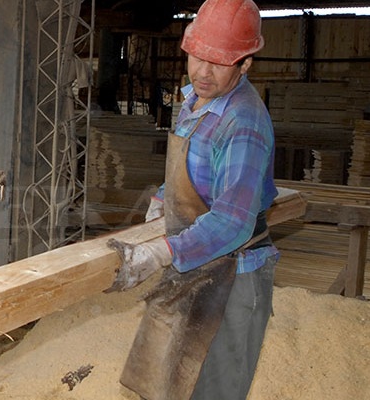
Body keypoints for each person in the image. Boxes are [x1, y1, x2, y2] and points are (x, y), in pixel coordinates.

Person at [106, 0, 277, 399]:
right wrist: (163, 200)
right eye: (197, 58)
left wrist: (162, 251)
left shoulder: (243, 122)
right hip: (193, 257)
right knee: (167, 381)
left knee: (211, 391)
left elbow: (233, 222)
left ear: (245, 64)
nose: (202, 72)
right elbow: (194, 170)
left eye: (218, 63)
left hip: (233, 274)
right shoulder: (196, 101)